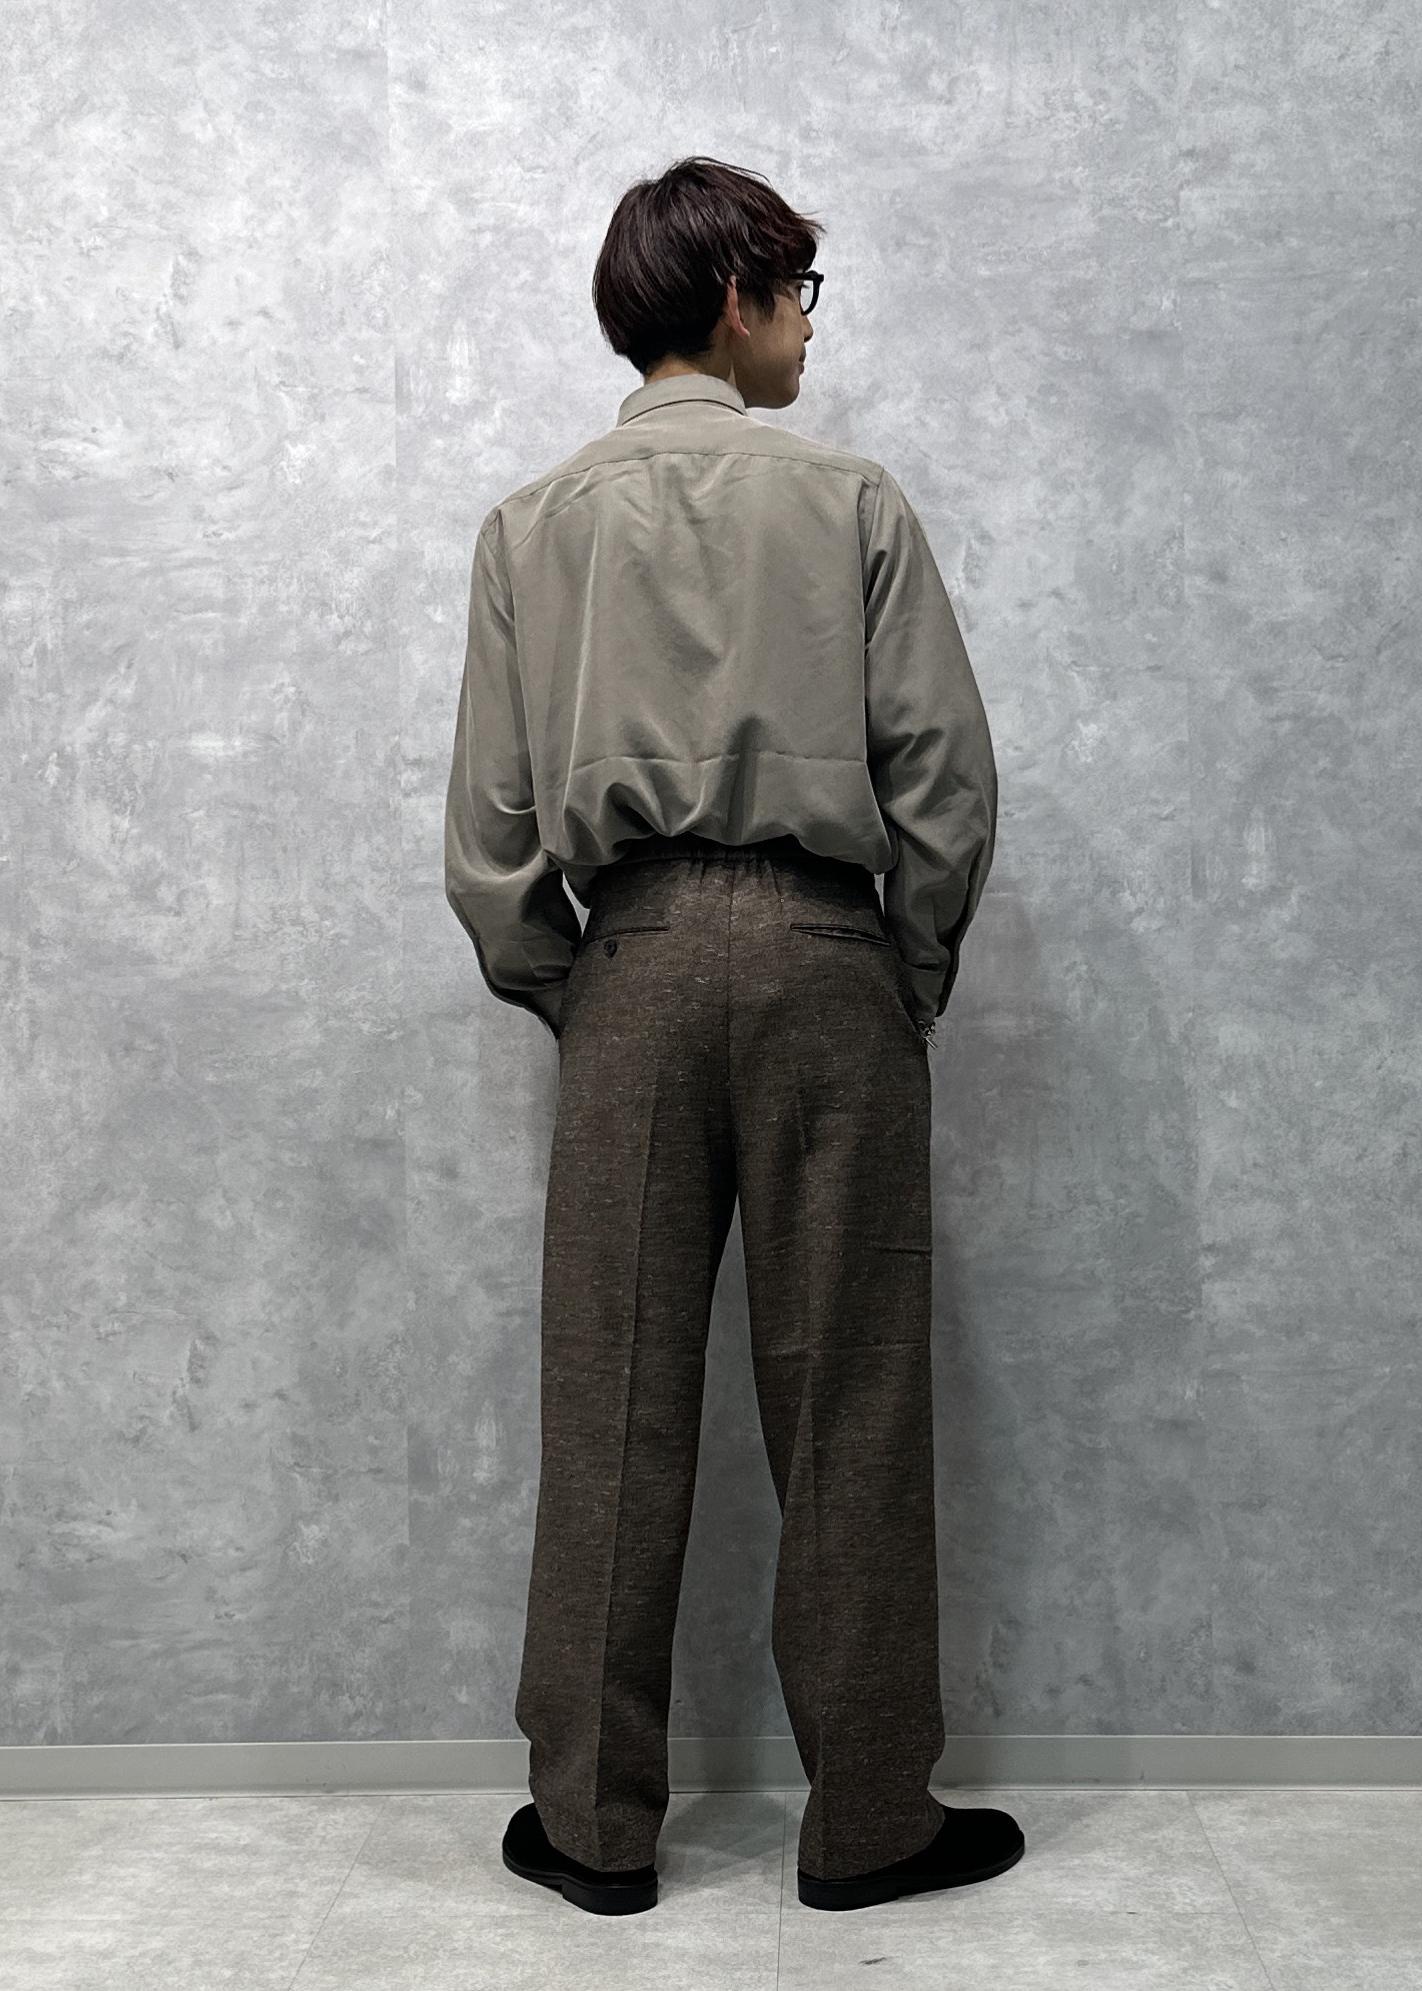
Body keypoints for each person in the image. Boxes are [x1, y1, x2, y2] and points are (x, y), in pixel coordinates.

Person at [444, 154, 1024, 1916]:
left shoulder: (531, 526)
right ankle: (869, 1827)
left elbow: (489, 841)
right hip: (823, 959)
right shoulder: (849, 500)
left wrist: (583, 984)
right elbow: (943, 783)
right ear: (734, 298)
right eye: (798, 293)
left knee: (609, 1398)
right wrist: (896, 970)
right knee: (848, 1393)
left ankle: (592, 1829)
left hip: (627, 960)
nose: (807, 329)